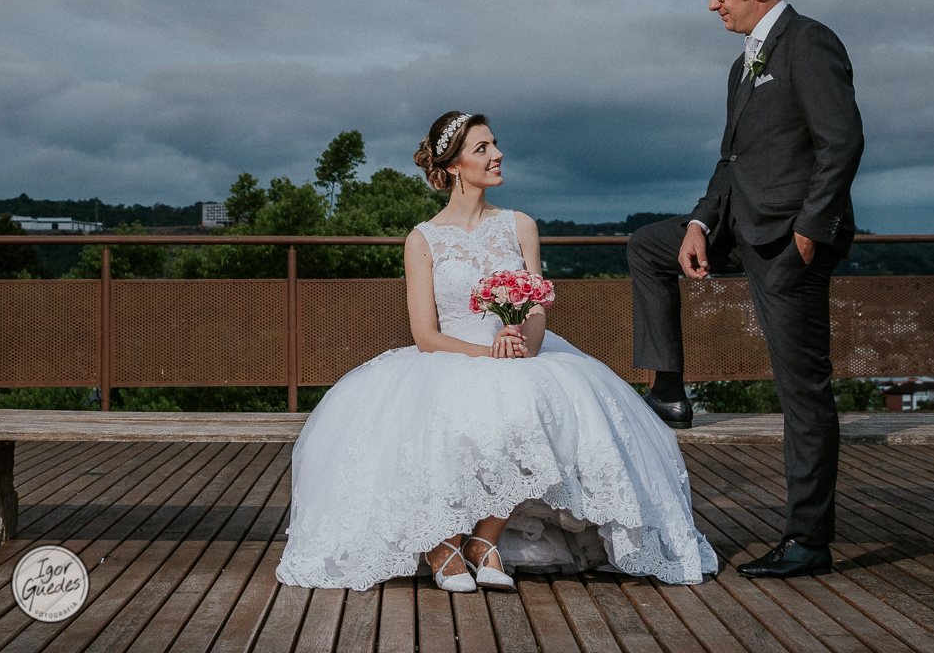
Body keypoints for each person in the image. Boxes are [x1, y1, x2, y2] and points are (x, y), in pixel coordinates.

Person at [277, 111, 716, 592]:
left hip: (519, 351)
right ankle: (442, 543)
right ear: (453, 166)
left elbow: (539, 305)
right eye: (482, 148)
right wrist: (486, 354)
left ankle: (485, 541)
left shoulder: (519, 224)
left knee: (525, 405)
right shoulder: (422, 238)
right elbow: (425, 334)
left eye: (495, 144)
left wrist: (523, 343)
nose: (497, 154)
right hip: (449, 355)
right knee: (443, 419)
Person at [628, 0, 864, 579]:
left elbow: (841, 144)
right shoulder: (743, 65)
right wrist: (702, 223)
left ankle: (808, 540)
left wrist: (809, 232)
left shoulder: (809, 43)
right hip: (742, 222)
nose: (713, 6)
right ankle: (670, 390)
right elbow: (731, 162)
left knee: (801, 391)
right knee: (649, 246)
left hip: (790, 241)